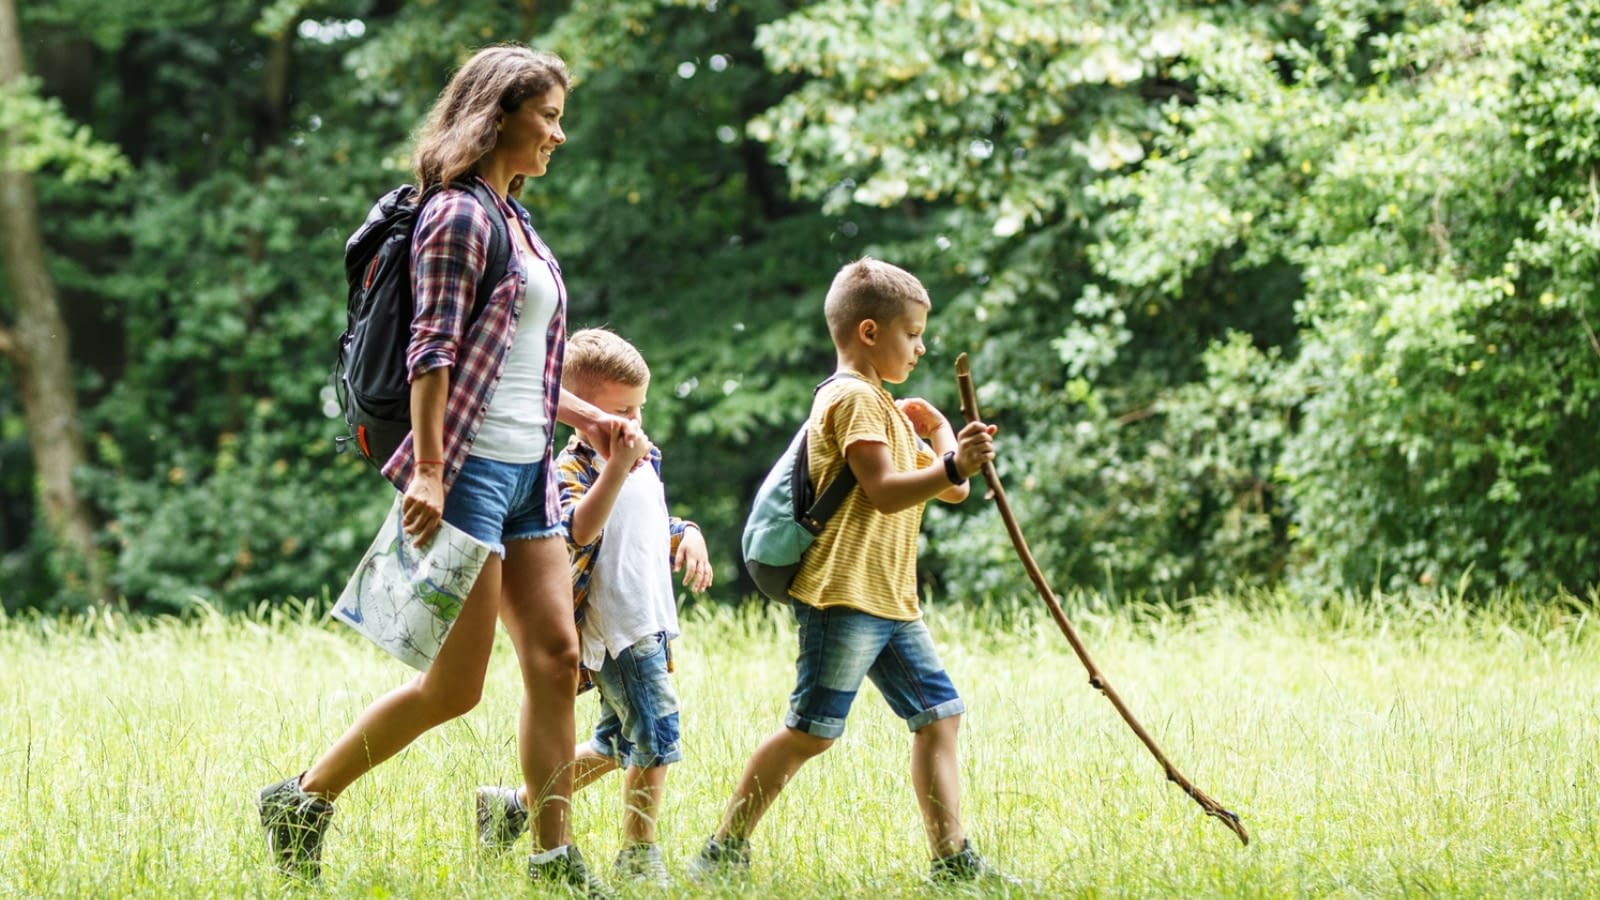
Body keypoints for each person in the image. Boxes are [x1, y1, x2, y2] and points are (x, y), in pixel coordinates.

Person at [256, 45, 630, 895]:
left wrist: (589, 415)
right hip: (462, 470)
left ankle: (552, 857)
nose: (558, 135)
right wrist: (426, 469)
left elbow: (517, 360)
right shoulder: (457, 216)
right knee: (456, 687)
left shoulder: (517, 220)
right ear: (500, 112)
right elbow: (433, 349)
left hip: (527, 469)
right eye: (549, 117)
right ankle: (302, 798)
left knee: (553, 656)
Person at [688, 257, 1013, 884]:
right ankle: (722, 850)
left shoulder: (886, 407)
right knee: (811, 731)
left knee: (939, 715)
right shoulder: (853, 400)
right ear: (869, 332)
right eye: (912, 333)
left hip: (892, 602)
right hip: (842, 597)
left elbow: (953, 492)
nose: (920, 347)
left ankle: (952, 862)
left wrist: (946, 437)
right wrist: (953, 465)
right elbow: (890, 489)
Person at [474, 327, 712, 886]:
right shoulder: (570, 469)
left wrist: (688, 532)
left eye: (639, 410)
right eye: (620, 412)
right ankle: (638, 854)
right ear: (581, 415)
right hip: (612, 627)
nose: (634, 425)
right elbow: (579, 530)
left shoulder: (646, 459)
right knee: (657, 732)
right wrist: (615, 465)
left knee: (615, 742)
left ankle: (510, 806)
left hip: (649, 619)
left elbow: (648, 527)